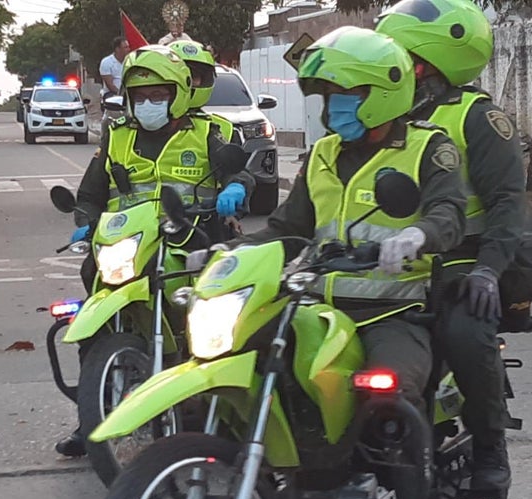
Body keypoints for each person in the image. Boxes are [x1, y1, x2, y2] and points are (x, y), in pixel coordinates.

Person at [218, 26, 466, 418]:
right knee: (241, 362)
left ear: (382, 94)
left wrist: (416, 236)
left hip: (392, 313)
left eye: (345, 95)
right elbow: (287, 229)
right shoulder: (322, 154)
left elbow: (448, 213)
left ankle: (411, 458)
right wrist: (227, 253)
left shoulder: (427, 148)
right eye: (329, 96)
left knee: (391, 399)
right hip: (315, 308)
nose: (334, 106)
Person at [376, 0, 532, 491]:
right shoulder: (383, 117)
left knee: (466, 332)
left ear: (431, 62)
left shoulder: (477, 118)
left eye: (401, 57)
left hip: (465, 261)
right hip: (394, 262)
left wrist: (487, 271)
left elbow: (507, 204)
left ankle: (490, 445)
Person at [55, 44, 255, 457]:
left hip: (192, 239)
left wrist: (236, 187)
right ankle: (92, 414)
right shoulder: (117, 136)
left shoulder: (208, 131)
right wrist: (84, 219)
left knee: (223, 312)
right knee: (93, 299)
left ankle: (227, 409)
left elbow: (238, 171)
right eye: (140, 96)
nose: (148, 103)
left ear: (178, 94)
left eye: (158, 95)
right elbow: (91, 194)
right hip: (130, 244)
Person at [168, 40, 234, 142]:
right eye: (181, 75)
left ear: (205, 80)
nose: (187, 81)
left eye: (193, 76)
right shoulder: (148, 125)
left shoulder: (224, 128)